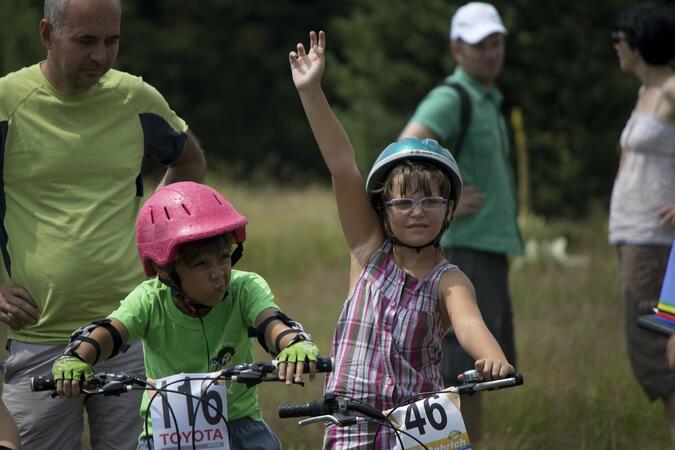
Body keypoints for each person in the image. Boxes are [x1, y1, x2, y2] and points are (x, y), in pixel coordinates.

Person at [289, 30, 514, 449]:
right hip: (351, 423)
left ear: (450, 210)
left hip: (418, 426)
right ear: (384, 208)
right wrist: (312, 93)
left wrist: (492, 356)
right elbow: (342, 166)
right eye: (404, 201)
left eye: (431, 200)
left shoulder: (450, 281)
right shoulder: (368, 251)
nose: (417, 211)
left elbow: (469, 323)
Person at [0, 0, 206, 448]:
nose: (101, 55)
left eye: (112, 41)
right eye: (86, 41)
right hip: (40, 338)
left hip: (130, 333)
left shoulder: (135, 98)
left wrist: (161, 237)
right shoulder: (8, 104)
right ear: (46, 34)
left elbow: (189, 159)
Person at [51, 181, 321, 450]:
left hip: (239, 425)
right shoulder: (149, 299)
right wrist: (76, 358)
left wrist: (293, 343)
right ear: (166, 270)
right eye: (201, 263)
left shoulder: (244, 288)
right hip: (165, 434)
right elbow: (111, 332)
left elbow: (270, 322)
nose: (218, 273)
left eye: (224, 257)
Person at [398, 2, 522, 443]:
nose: (490, 53)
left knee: (479, 374)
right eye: (479, 45)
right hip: (463, 247)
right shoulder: (453, 97)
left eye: (496, 43)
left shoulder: (489, 98)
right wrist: (445, 197)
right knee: (456, 369)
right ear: (457, 49)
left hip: (486, 248)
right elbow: (407, 146)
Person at [609, 2, 675, 443]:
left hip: (655, 238)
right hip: (632, 234)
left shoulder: (672, 88)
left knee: (656, 343)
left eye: (620, 37)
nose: (615, 45)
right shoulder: (645, 94)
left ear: (639, 41)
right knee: (654, 341)